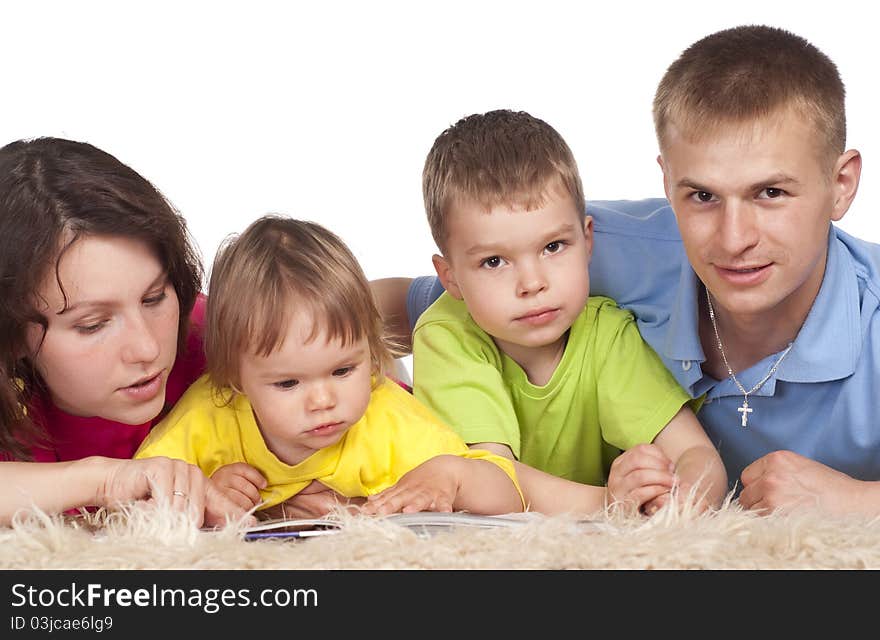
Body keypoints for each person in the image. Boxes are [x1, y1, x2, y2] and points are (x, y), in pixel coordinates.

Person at [400, 24, 880, 516]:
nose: (735, 239)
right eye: (703, 196)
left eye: (771, 193)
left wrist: (860, 500)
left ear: (841, 184)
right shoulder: (577, 249)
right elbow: (377, 305)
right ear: (668, 183)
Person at [408, 109, 726, 516]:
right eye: (494, 262)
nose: (532, 283)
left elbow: (696, 451)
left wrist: (677, 499)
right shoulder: (446, 337)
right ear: (450, 277)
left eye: (553, 247)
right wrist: (611, 504)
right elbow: (492, 482)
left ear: (587, 240)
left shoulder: (607, 333)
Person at [134, 215, 524, 518]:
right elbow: (135, 494)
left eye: (341, 371)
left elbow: (508, 490)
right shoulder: (210, 415)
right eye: (288, 383)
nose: (323, 400)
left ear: (368, 358)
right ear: (237, 380)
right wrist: (204, 493)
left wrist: (450, 476)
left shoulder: (385, 419)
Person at [0, 137, 241, 527]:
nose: (147, 348)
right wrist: (107, 479)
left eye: (154, 297)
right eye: (93, 324)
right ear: (12, 336)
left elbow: (357, 323)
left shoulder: (215, 332)